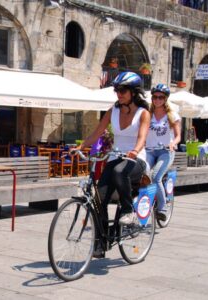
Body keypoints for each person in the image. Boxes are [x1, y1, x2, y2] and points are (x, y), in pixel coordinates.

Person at [74, 71, 150, 256]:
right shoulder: (112, 111)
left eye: (123, 90)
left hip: (136, 160)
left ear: (133, 92)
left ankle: (127, 210)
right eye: (117, 90)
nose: (119, 93)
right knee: (98, 199)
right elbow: (97, 132)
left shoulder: (143, 113)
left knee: (118, 171)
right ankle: (101, 243)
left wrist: (135, 150)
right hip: (116, 157)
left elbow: (142, 138)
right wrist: (81, 146)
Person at [145, 84, 181, 221]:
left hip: (165, 151)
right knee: (141, 173)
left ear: (165, 99)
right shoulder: (147, 114)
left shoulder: (172, 115)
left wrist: (173, 143)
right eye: (155, 97)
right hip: (149, 150)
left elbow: (178, 136)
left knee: (155, 177)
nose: (157, 100)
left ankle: (162, 207)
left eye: (161, 97)